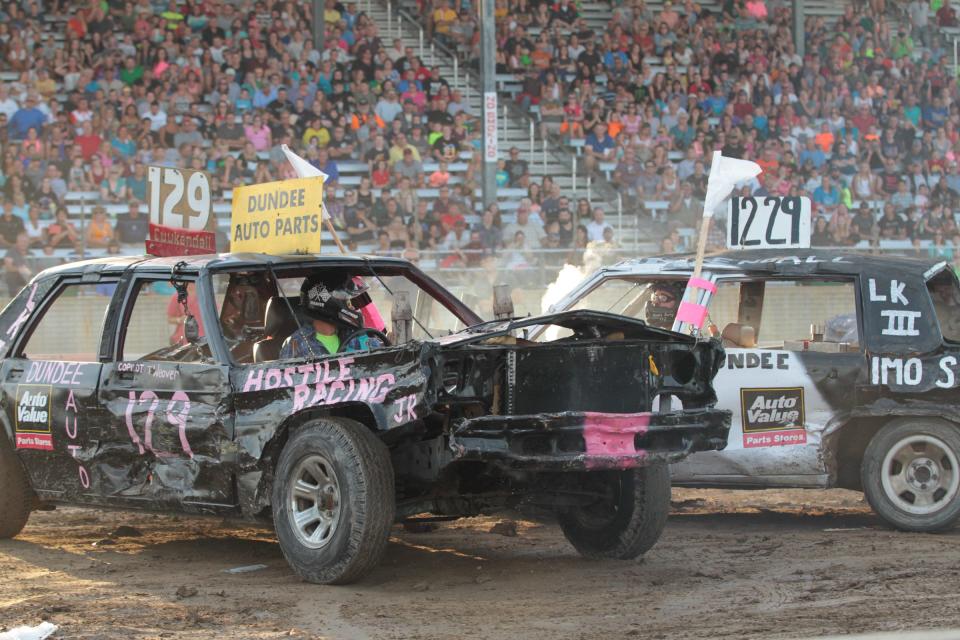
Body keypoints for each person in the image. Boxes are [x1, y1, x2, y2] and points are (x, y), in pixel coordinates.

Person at [280, 276, 383, 358]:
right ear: (330, 303)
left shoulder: (355, 336)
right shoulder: (295, 343)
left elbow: (382, 358)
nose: (352, 307)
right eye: (348, 302)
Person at [4, 232, 32, 296]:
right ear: (17, 242)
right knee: (11, 275)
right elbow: (8, 267)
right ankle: (13, 296)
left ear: (28, 243)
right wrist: (20, 269)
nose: (24, 243)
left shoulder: (31, 253)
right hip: (16, 276)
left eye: (25, 241)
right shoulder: (10, 252)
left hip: (28, 276)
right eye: (22, 241)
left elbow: (36, 267)